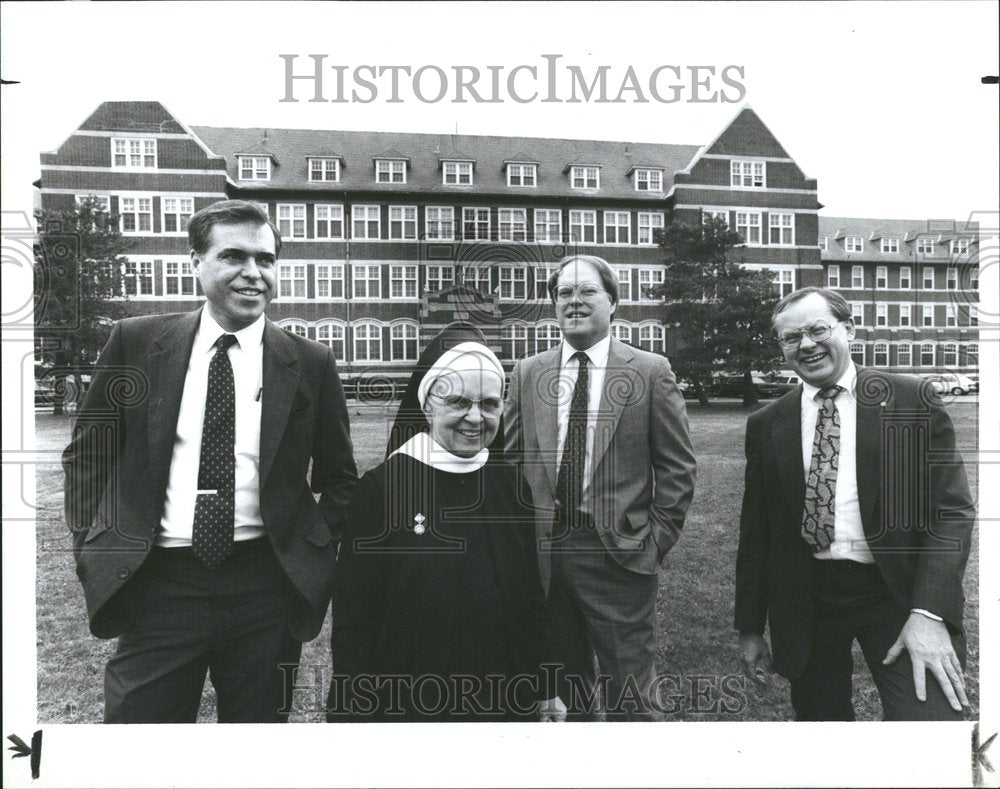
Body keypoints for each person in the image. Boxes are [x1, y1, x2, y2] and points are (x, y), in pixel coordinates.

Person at [62, 200, 358, 723]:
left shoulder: (309, 362)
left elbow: (339, 479)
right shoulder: (136, 342)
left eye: (266, 260)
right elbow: (89, 453)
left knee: (254, 747)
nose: (253, 273)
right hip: (160, 581)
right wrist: (92, 541)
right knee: (138, 739)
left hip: (266, 587)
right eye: (234, 256)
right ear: (194, 261)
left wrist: (309, 551)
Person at [735, 286, 975, 721]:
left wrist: (930, 613)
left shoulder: (910, 400)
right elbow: (757, 533)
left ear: (849, 329)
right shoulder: (767, 423)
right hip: (808, 599)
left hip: (896, 592)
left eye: (818, 329)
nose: (806, 344)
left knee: (927, 725)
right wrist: (750, 627)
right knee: (825, 735)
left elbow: (951, 512)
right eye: (792, 338)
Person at [327, 324, 565, 722]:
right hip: (410, 699)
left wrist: (545, 686)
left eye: (489, 404)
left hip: (503, 695)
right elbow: (355, 617)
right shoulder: (383, 490)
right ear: (427, 406)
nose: (475, 417)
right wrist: (354, 712)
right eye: (458, 402)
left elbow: (530, 597)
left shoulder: (509, 484)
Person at [504, 255, 697, 720]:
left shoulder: (650, 370)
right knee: (561, 698)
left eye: (587, 291)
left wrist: (653, 543)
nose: (575, 301)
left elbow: (677, 467)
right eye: (564, 293)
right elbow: (507, 464)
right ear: (553, 306)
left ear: (612, 301)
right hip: (544, 556)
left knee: (631, 696)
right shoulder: (528, 372)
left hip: (619, 555)